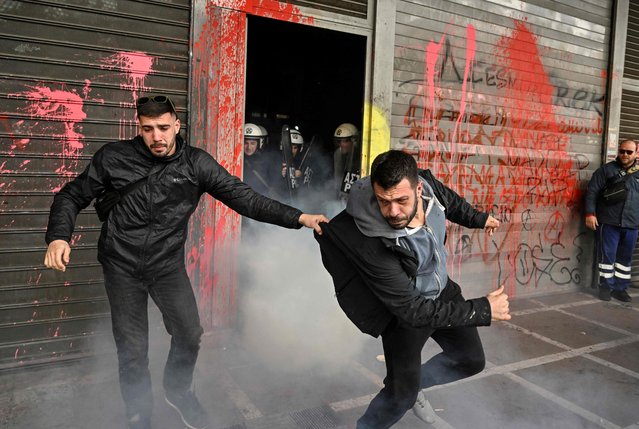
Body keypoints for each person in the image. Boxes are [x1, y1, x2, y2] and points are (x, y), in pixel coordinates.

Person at [43, 95, 328, 429]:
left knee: (189, 333)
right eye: (148, 129)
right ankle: (139, 415)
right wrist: (59, 236)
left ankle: (177, 391)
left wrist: (300, 217)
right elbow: (71, 195)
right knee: (132, 350)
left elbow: (245, 199)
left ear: (177, 126)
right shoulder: (113, 157)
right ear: (139, 127)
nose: (157, 137)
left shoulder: (195, 164)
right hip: (121, 264)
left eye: (164, 128)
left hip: (166, 265)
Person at [314, 150, 509, 429]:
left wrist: (478, 218)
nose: (393, 211)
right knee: (399, 396)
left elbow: (447, 202)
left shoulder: (427, 185)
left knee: (470, 360)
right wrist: (482, 309)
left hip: (442, 291)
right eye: (383, 201)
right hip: (406, 312)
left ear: (418, 188)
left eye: (401, 200)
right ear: (374, 193)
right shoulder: (371, 244)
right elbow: (413, 311)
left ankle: (416, 385)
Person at [585, 138, 639, 302]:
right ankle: (606, 288)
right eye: (622, 151)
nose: (624, 155)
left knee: (625, 259)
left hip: (632, 223)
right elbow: (592, 192)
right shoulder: (606, 170)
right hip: (609, 221)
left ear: (636, 153)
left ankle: (620, 289)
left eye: (629, 152)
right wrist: (590, 214)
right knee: (607, 258)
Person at [242, 123, 277, 198]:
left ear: (259, 144)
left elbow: (275, 180)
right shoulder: (236, 160)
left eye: (253, 143)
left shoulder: (266, 160)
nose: (249, 147)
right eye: (245, 143)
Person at [333, 123, 361, 200]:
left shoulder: (362, 155)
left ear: (354, 141)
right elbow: (338, 178)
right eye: (338, 141)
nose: (340, 145)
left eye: (344, 141)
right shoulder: (338, 154)